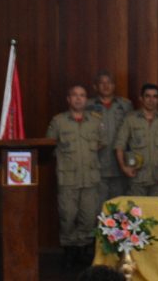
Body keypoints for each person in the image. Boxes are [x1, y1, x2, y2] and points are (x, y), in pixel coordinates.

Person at [46, 85, 103, 267]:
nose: (79, 99)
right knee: (68, 216)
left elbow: (101, 144)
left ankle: (82, 251)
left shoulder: (95, 121)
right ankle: (69, 252)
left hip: (90, 179)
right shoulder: (58, 121)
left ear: (87, 99)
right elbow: (49, 146)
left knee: (89, 217)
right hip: (68, 179)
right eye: (75, 95)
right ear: (68, 99)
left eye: (82, 95)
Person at [115, 83, 158, 196]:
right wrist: (124, 167)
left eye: (155, 96)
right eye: (147, 96)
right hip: (136, 178)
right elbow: (119, 145)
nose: (151, 100)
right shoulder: (130, 119)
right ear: (141, 98)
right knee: (136, 212)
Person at [88, 71, 133, 202]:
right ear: (95, 86)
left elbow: (132, 134)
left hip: (120, 165)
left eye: (109, 83)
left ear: (114, 86)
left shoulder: (125, 105)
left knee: (119, 207)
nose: (106, 86)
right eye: (102, 83)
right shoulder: (87, 105)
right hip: (96, 164)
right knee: (97, 207)